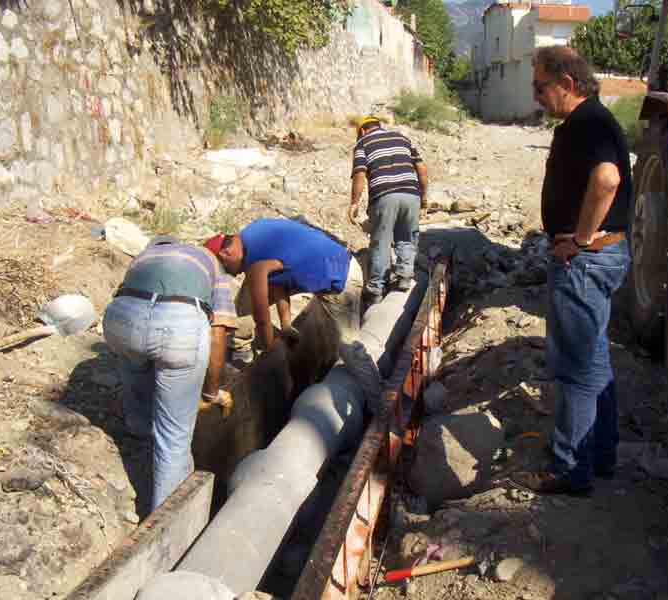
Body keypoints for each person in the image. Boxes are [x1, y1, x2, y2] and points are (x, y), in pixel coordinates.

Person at [512, 46, 632, 496]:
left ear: (567, 83)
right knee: (595, 359)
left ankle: (570, 469)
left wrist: (580, 240)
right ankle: (601, 456)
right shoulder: (588, 122)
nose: (537, 95)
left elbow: (607, 180)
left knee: (577, 368)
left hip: (585, 261)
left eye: (541, 86)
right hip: (598, 256)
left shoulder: (588, 122)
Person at [103, 235, 237, 510]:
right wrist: (211, 392)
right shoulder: (211, 262)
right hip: (178, 330)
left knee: (134, 364)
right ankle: (166, 526)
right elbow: (218, 333)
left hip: (120, 322)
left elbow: (127, 300)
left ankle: (139, 429)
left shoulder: (143, 257)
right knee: (174, 441)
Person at [206, 218, 362, 353]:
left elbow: (262, 319)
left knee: (349, 350)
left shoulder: (256, 265)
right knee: (249, 292)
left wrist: (269, 351)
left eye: (225, 268)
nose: (233, 274)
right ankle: (241, 343)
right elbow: (278, 282)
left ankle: (373, 385)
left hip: (342, 283)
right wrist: (286, 324)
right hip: (334, 267)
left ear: (225, 254)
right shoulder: (254, 235)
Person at [348, 116, 428, 305]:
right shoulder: (402, 138)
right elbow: (422, 169)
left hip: (384, 197)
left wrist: (354, 203)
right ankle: (404, 277)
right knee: (407, 237)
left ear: (361, 130)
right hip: (411, 195)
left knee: (381, 243)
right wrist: (423, 200)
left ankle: (376, 291)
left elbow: (360, 174)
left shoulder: (362, 143)